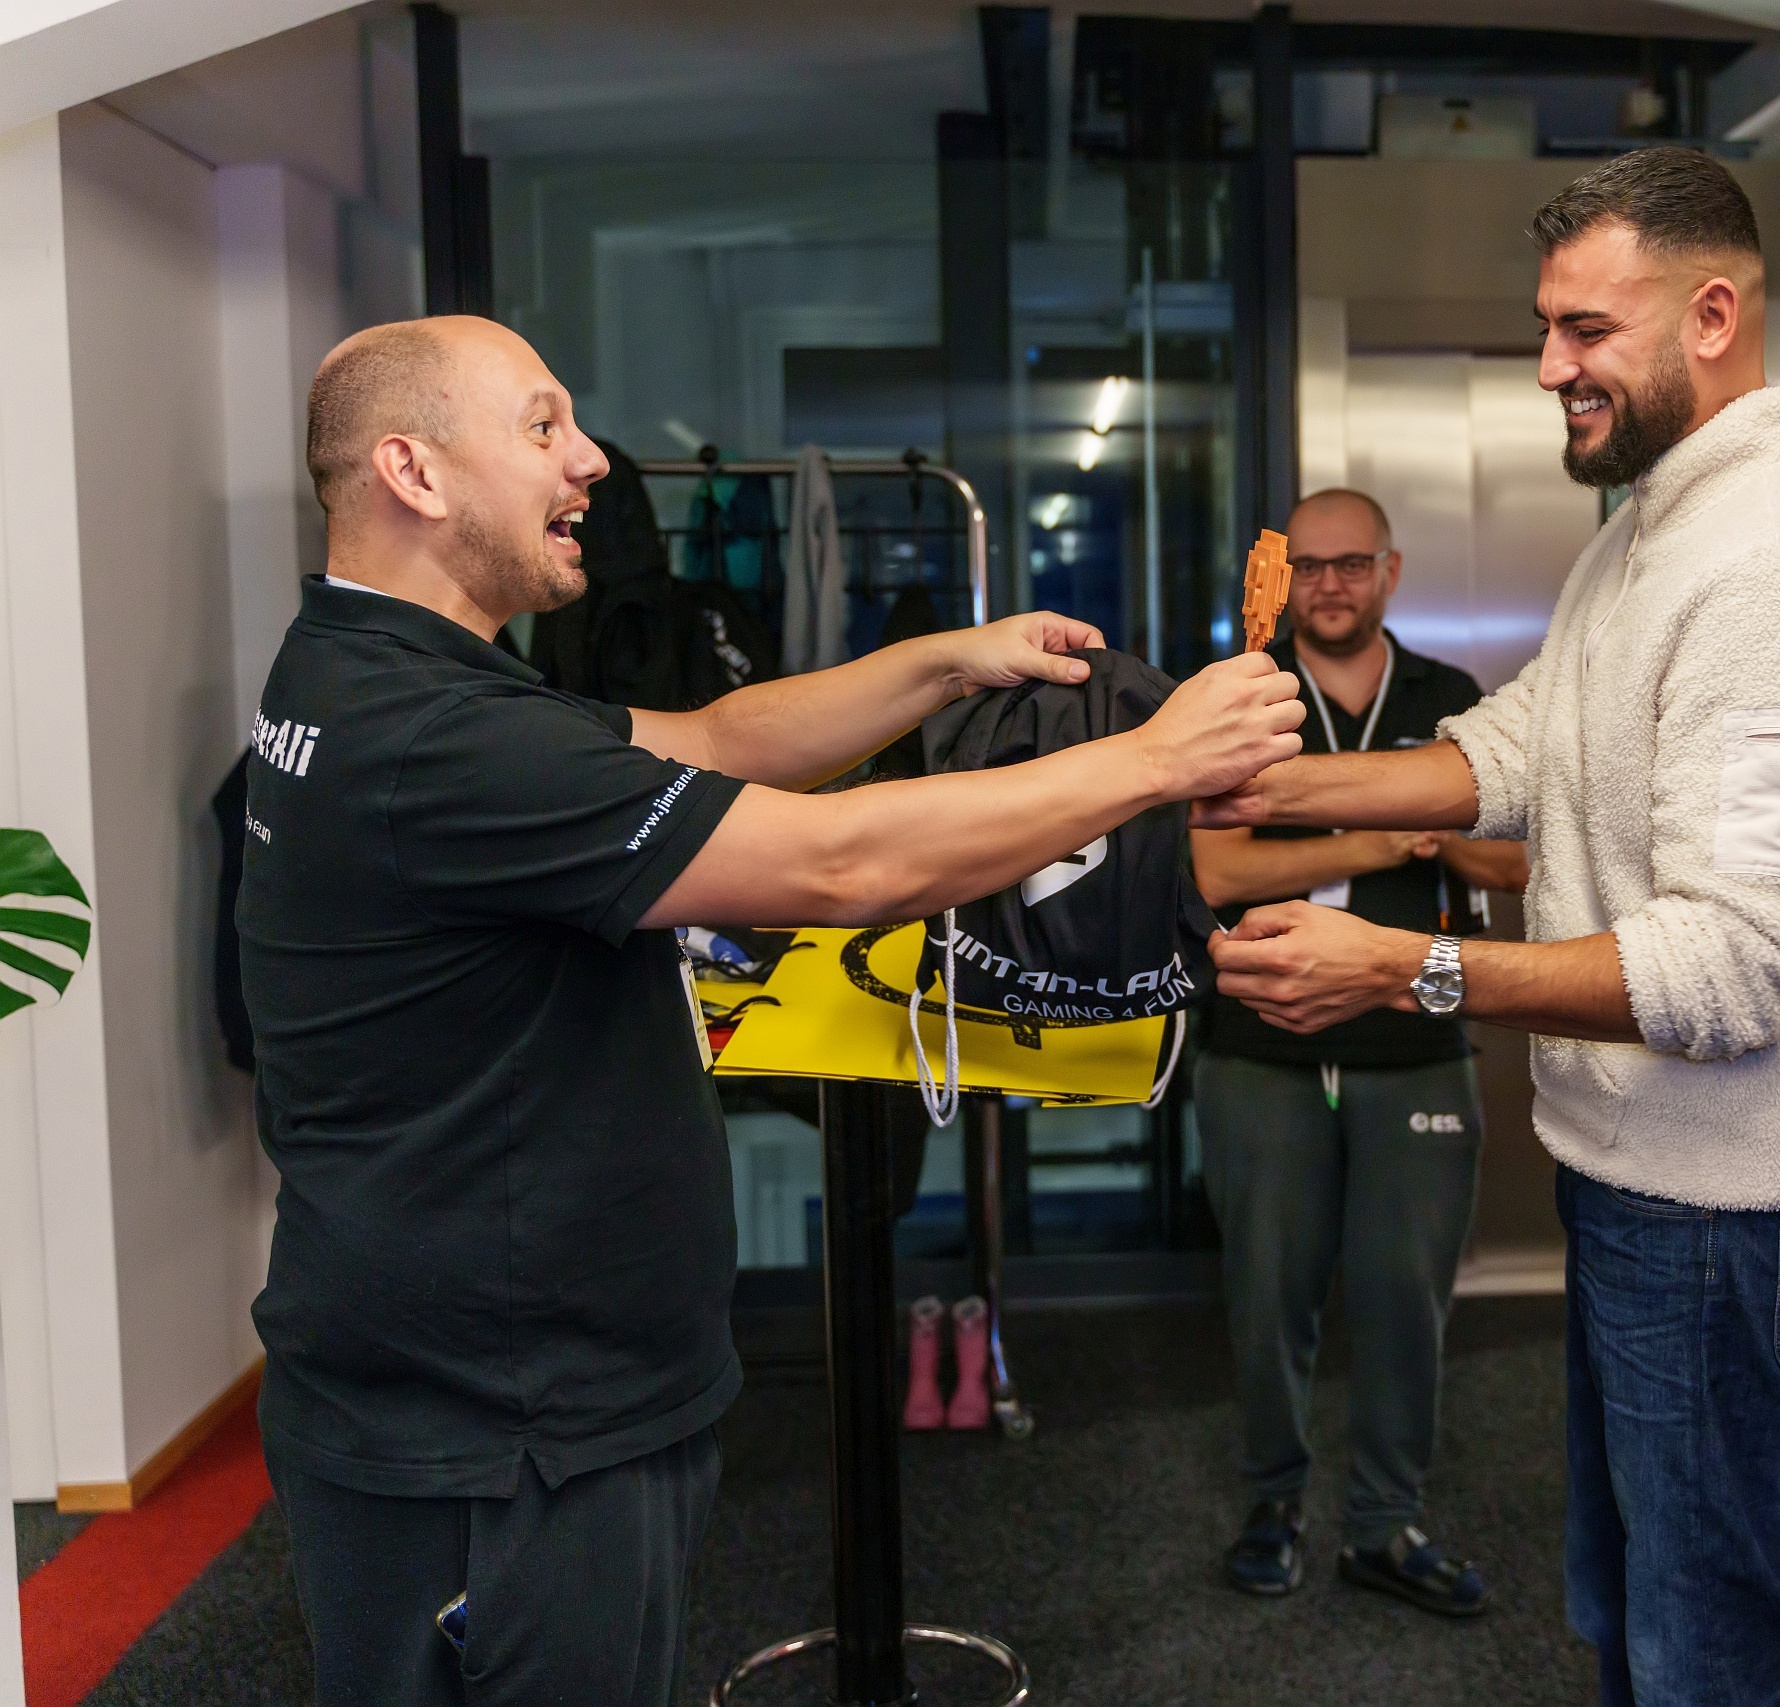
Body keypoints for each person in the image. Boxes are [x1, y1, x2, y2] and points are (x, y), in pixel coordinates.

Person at [239, 315, 1304, 1707]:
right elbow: (842, 866)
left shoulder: (370, 672)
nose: (593, 459)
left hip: (471, 1383)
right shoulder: (436, 739)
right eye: (544, 425)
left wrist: (944, 662)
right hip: (508, 1426)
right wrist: (1155, 760)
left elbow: (717, 739)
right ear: (414, 471)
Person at [1201, 147, 1780, 1705]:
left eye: (1587, 329)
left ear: (1714, 316)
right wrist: (1256, 778)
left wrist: (1401, 967)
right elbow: (1522, 742)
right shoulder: (1654, 524)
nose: (1551, 365)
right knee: (1629, 1606)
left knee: (1705, 1644)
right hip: (1645, 1176)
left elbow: (1735, 968)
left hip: (1735, 1207)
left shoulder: (1775, 572)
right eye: (1549, 326)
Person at [1190, 486, 1529, 1615]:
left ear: (1389, 572)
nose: (1329, 585)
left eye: (1351, 564)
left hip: (1416, 1037)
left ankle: (1385, 1524)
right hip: (1260, 1041)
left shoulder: (1452, 700)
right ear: (1281, 578)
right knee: (1266, 1292)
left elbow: (1515, 862)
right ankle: (1273, 1504)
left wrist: (1439, 829)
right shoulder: (1244, 697)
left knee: (1404, 1298)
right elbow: (1218, 871)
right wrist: (1388, 833)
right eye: (1310, 566)